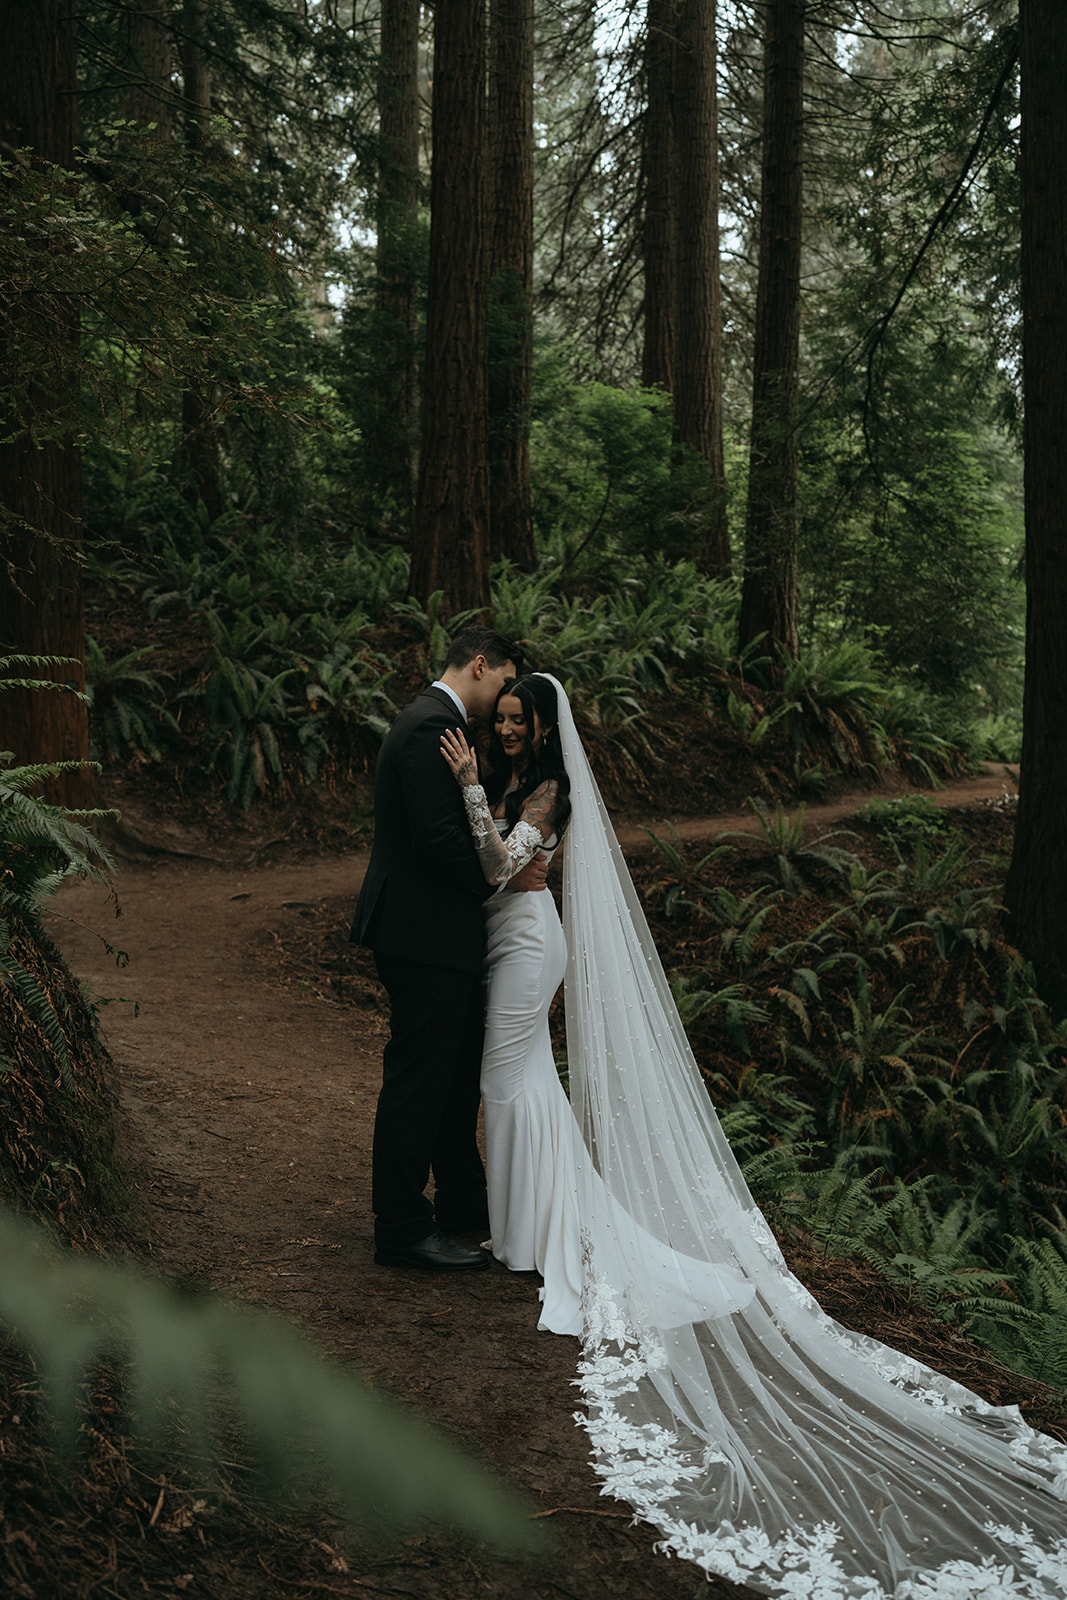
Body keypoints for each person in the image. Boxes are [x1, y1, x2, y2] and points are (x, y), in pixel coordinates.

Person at [442, 672, 1067, 1599]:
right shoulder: (512, 782)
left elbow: (499, 868)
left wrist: (465, 787)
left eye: (515, 720)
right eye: (497, 721)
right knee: (521, 1080)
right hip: (509, 936)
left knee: (506, 1083)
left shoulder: (546, 793)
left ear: (542, 728)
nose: (503, 730)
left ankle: (536, 1236)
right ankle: (529, 1230)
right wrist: (477, 790)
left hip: (529, 936)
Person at [350, 626, 546, 1272]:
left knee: (455, 1078)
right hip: (423, 934)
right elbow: (439, 841)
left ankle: (462, 1201)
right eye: (504, 681)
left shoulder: (436, 721)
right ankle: (401, 1226)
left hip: (438, 933)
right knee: (420, 1079)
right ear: (480, 665)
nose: (505, 699)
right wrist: (500, 874)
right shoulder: (432, 725)